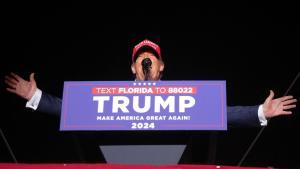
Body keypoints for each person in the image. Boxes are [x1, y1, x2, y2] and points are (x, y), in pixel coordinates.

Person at [4, 39, 297, 128]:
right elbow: (72, 110)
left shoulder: (183, 96)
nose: (147, 61)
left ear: (161, 66)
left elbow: (222, 113)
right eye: (141, 58)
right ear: (133, 67)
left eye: (152, 58)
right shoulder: (108, 97)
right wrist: (37, 96)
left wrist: (259, 110)